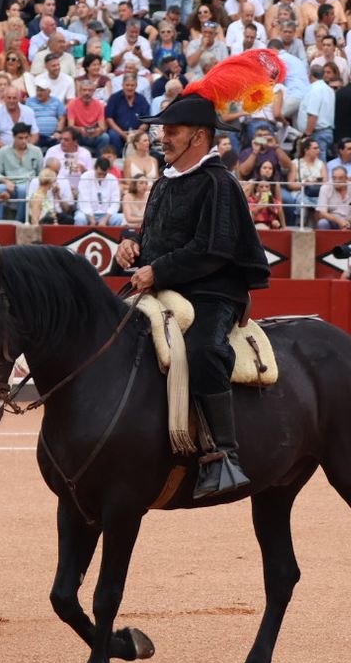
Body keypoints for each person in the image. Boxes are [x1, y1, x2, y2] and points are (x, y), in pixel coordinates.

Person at [115, 50, 275, 499]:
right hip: (166, 285)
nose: (163, 137)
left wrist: (156, 269)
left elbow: (212, 249)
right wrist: (131, 241)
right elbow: (158, 235)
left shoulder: (219, 182)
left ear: (199, 137)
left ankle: (224, 455)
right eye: (164, 130)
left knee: (204, 349)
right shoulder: (166, 180)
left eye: (172, 131)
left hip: (213, 291)